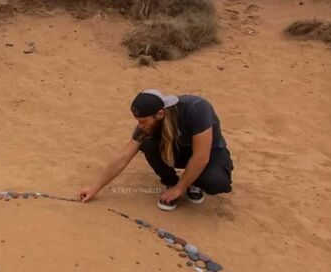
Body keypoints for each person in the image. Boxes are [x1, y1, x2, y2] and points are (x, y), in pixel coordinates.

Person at [79, 88, 233, 211]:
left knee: (215, 182)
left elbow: (201, 156)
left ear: (160, 114)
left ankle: (192, 183)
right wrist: (95, 188)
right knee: (148, 143)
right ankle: (172, 182)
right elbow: (123, 156)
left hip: (210, 152)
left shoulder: (196, 108)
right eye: (138, 121)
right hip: (180, 151)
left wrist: (181, 189)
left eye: (143, 121)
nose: (140, 125)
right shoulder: (148, 125)